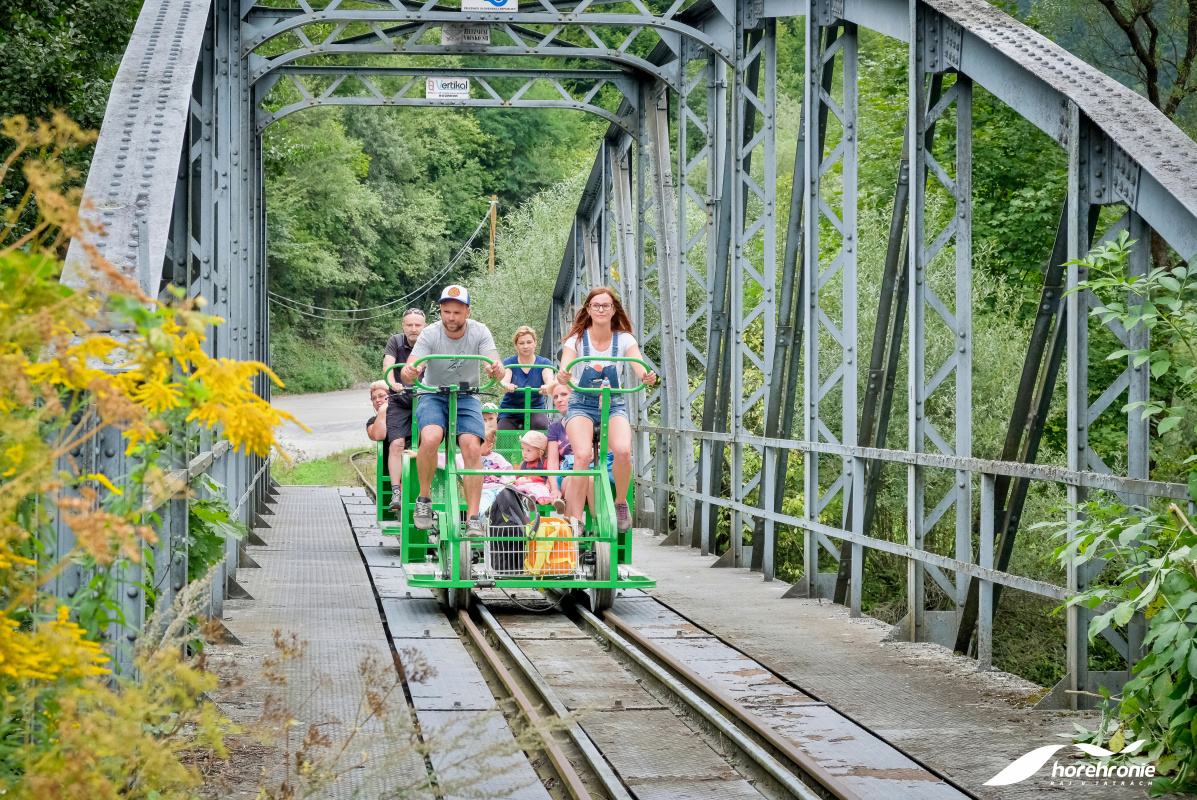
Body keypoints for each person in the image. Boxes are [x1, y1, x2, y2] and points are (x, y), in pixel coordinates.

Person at [401, 285, 505, 536]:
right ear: (440, 311)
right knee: (431, 437)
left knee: (472, 446)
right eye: (446, 311)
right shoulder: (430, 334)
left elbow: (495, 365)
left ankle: (473, 517)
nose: (451, 317)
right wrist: (411, 371)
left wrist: (495, 369)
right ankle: (424, 499)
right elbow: (408, 371)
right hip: (433, 394)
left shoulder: (480, 331)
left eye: (457, 313)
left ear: (467, 312)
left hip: (467, 395)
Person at [557, 286, 656, 532]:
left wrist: (646, 375)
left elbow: (638, 364)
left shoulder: (624, 339)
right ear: (588, 310)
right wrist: (564, 374)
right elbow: (565, 366)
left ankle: (621, 502)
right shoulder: (577, 340)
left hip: (613, 403)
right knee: (582, 456)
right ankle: (575, 519)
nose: (601, 310)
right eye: (596, 305)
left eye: (606, 305)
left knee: (623, 451)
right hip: (581, 403)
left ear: (613, 310)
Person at [379, 308, 427, 508]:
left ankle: (427, 490)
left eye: (417, 325)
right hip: (400, 398)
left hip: (425, 398)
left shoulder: (430, 341)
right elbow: (388, 366)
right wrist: (393, 384)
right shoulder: (396, 341)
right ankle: (396, 492)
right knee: (396, 444)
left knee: (429, 443)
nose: (413, 329)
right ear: (403, 326)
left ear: (424, 326)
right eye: (410, 325)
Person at [498, 326, 555, 431]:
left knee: (541, 426)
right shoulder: (509, 363)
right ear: (516, 345)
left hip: (535, 409)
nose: (526, 346)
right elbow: (503, 382)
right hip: (510, 411)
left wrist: (547, 386)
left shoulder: (544, 363)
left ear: (535, 343)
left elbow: (549, 380)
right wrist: (506, 385)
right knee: (503, 431)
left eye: (529, 342)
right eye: (521, 343)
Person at [511, 430, 563, 510]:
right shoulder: (522, 465)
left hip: (541, 488)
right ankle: (528, 501)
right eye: (523, 449)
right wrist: (518, 482)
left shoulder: (545, 463)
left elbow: (550, 476)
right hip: (526, 489)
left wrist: (548, 484)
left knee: (545, 492)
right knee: (521, 493)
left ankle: (556, 502)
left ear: (540, 453)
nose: (524, 453)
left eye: (528, 450)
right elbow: (517, 479)